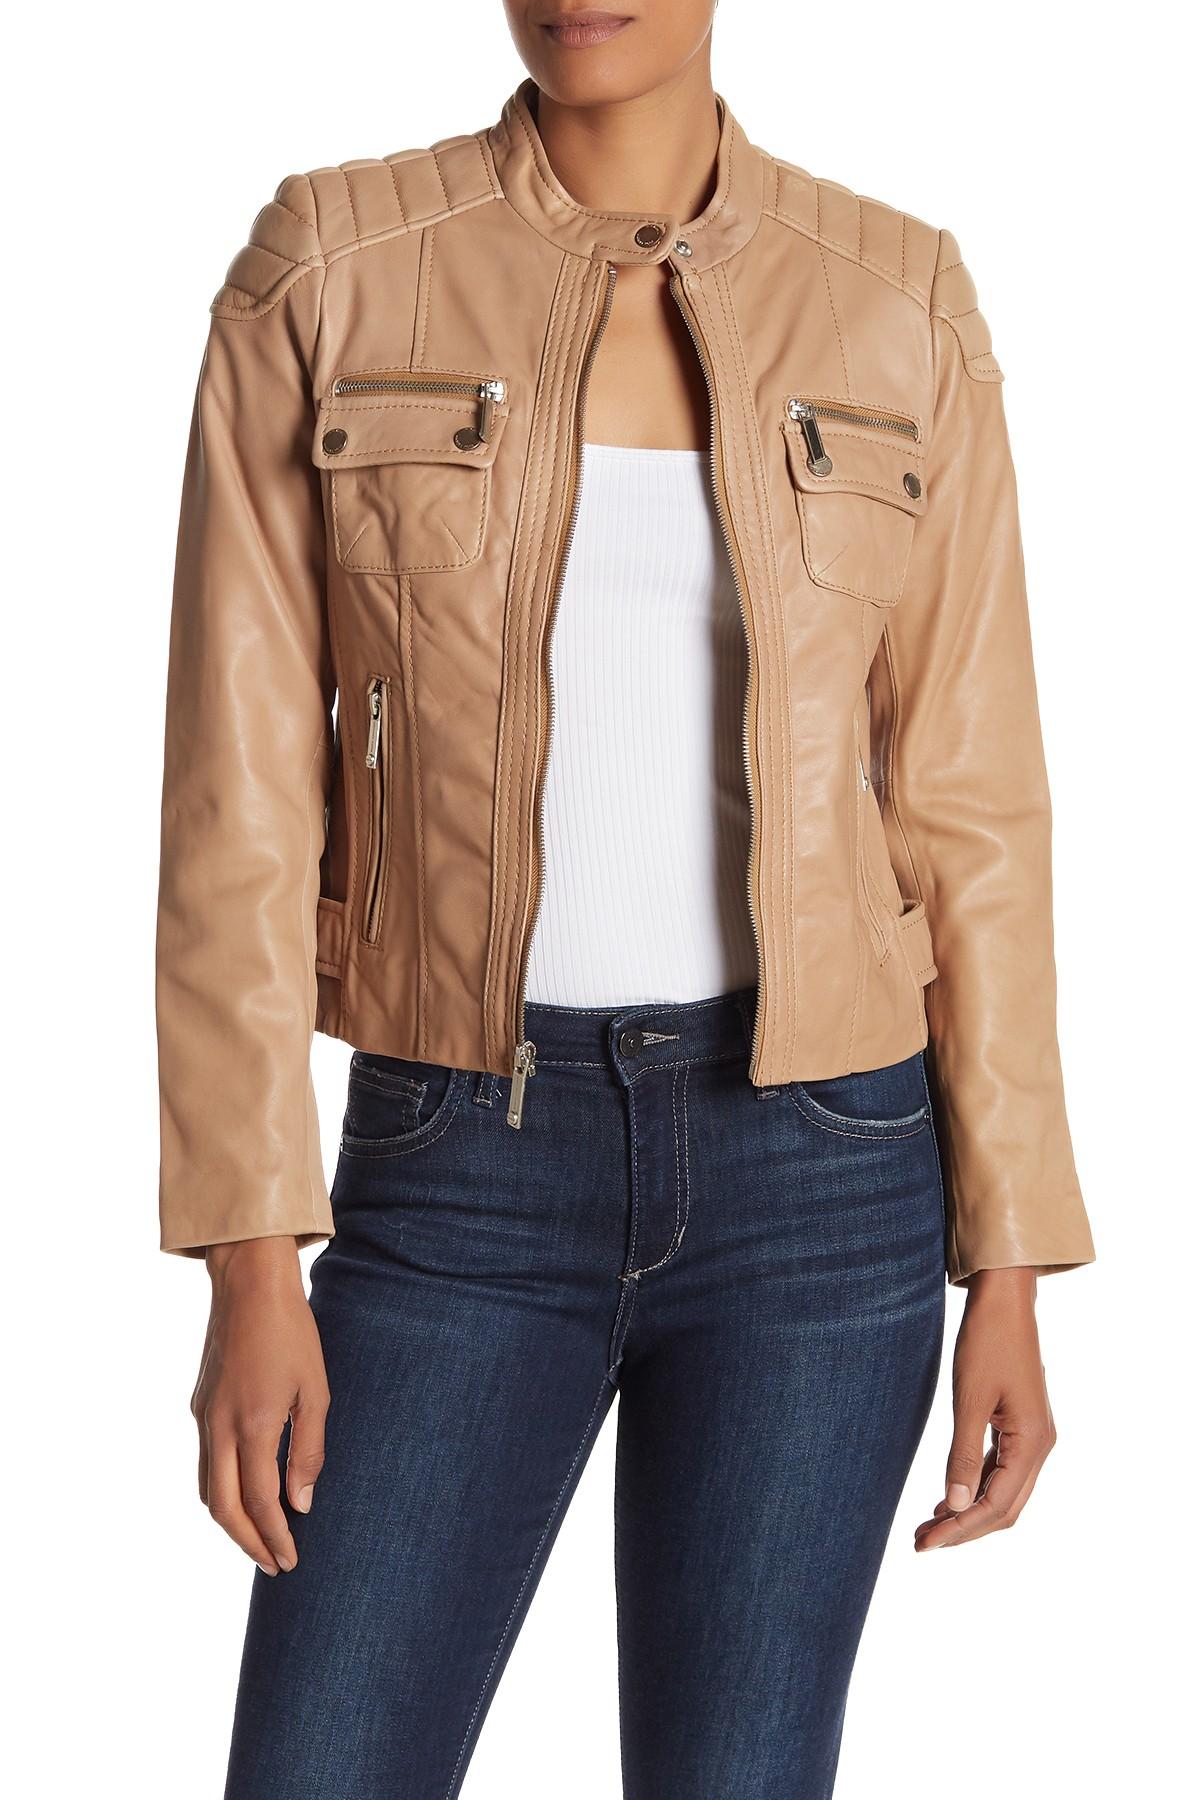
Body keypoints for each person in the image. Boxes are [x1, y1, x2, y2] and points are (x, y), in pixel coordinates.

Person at [156, 3, 1096, 1794]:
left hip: (825, 1185)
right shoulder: (332, 268)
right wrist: (250, 1251)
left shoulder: (898, 301)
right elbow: (236, 799)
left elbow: (973, 812)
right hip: (457, 1169)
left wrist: (1011, 1261)